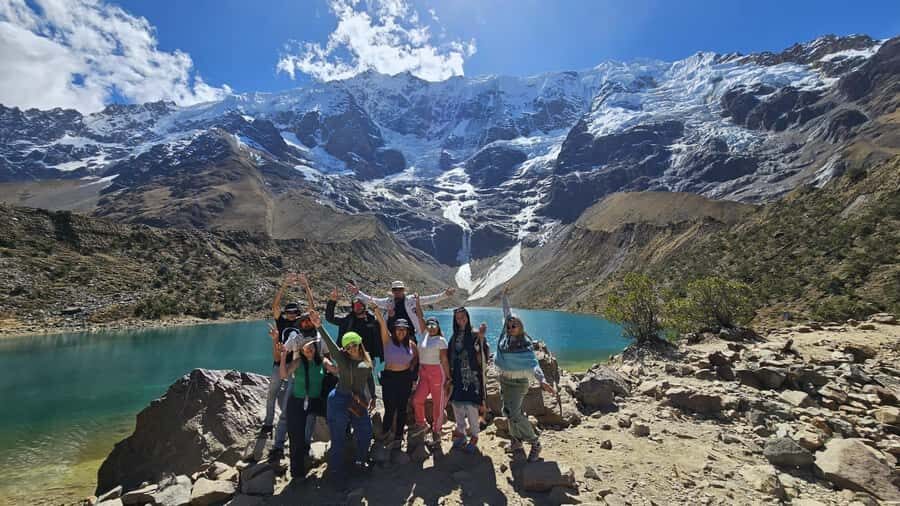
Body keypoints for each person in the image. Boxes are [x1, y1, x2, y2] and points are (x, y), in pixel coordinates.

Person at [314, 310, 376, 483]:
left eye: (354, 344)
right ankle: (336, 472)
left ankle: (360, 461)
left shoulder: (367, 359)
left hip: (358, 400)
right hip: (339, 400)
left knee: (365, 433)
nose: (351, 348)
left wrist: (374, 396)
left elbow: (369, 377)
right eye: (347, 347)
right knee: (338, 437)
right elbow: (330, 344)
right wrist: (319, 326)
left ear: (359, 343)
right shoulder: (342, 359)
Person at [494, 285, 555, 462]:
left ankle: (535, 442)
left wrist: (542, 380)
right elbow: (507, 313)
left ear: (521, 327)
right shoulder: (505, 339)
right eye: (509, 325)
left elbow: (533, 364)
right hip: (505, 380)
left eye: (515, 325)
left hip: (519, 383)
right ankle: (516, 441)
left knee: (514, 413)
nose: (511, 327)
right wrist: (504, 297)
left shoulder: (525, 345)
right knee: (508, 411)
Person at [279, 331, 335, 481]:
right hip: (297, 401)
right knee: (296, 437)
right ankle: (297, 473)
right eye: (305, 348)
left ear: (316, 348)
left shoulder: (322, 361)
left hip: (316, 401)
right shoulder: (298, 362)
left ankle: (340, 453)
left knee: (336, 418)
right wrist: (284, 356)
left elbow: (336, 371)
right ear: (302, 350)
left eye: (311, 347)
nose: (308, 350)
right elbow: (284, 375)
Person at [373, 303, 418, 449]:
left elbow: (417, 357)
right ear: (394, 330)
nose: (401, 332)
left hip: (405, 378)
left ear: (407, 331)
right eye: (399, 329)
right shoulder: (388, 341)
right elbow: (381, 323)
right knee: (390, 407)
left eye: (404, 329)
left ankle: (398, 435)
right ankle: (386, 432)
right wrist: (376, 310)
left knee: (402, 408)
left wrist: (412, 366)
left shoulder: (411, 344)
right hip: (390, 378)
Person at [410, 297, 451, 446]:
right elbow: (420, 317)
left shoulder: (441, 340)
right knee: (417, 399)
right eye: (429, 324)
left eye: (434, 325)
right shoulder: (424, 335)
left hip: (437, 374)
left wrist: (448, 378)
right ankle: (422, 424)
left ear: (438, 327)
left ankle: (437, 431)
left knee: (437, 404)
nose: (431, 327)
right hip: (424, 373)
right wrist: (418, 304)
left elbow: (444, 360)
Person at [349, 280, 455, 337]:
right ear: (392, 291)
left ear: (403, 290)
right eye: (395, 290)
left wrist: (444, 295)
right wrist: (358, 293)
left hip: (409, 335)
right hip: (393, 336)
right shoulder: (388, 302)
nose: (397, 291)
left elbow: (430, 299)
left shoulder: (412, 300)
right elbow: (372, 300)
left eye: (399, 289)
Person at [447, 306, 486, 454]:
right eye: (458, 318)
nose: (461, 320)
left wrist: (481, 338)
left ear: (468, 317)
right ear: (455, 320)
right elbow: (450, 356)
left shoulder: (475, 333)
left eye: (463, 317)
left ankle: (475, 436)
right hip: (457, 376)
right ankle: (461, 432)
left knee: (471, 408)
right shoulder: (454, 336)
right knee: (457, 406)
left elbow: (482, 352)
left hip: (471, 376)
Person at [325, 288, 383, 362]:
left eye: (359, 305)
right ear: (353, 308)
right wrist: (332, 301)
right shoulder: (347, 320)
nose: (358, 307)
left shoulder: (373, 320)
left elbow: (385, 331)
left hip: (368, 358)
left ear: (364, 306)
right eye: (355, 306)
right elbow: (330, 318)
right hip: (349, 358)